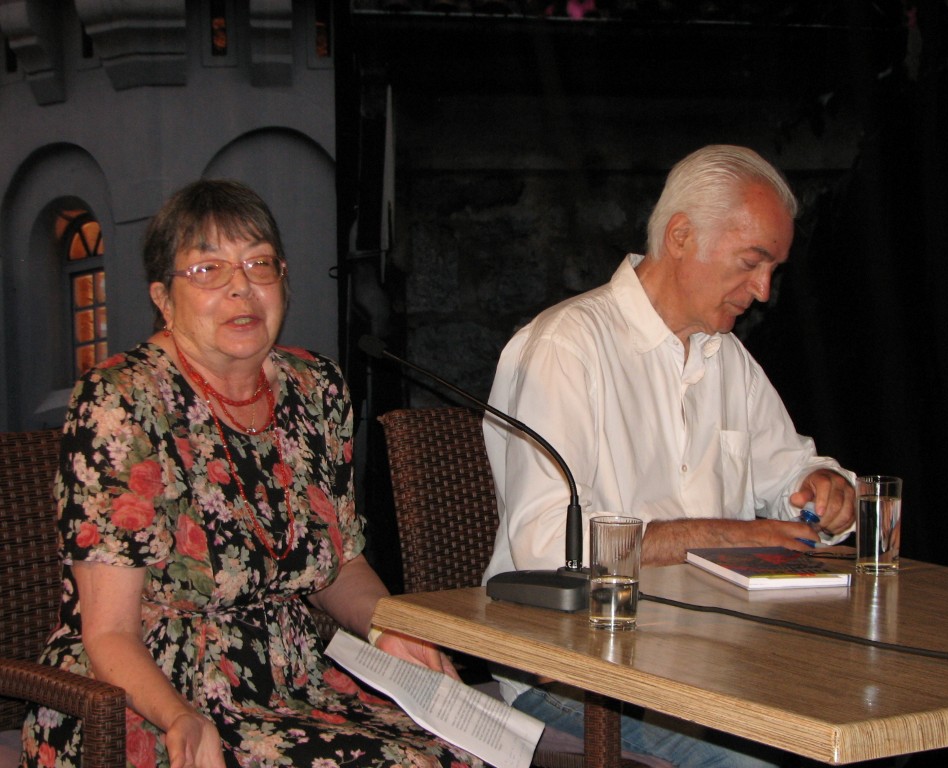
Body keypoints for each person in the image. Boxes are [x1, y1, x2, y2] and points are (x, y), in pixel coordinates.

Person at [20, 179, 482, 768]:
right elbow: (109, 632)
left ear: (283, 281)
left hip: (297, 678)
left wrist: (390, 629)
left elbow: (339, 566)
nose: (241, 286)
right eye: (208, 270)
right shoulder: (122, 401)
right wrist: (179, 716)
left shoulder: (316, 388)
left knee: (463, 751)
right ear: (163, 298)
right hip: (149, 695)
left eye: (259, 264)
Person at [481, 145, 857, 767]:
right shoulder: (564, 348)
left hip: (711, 659)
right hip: (577, 675)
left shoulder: (727, 359)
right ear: (681, 236)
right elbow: (549, 547)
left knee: (861, 722)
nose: (764, 291)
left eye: (773, 269)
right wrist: (726, 535)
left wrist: (823, 485)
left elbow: (789, 474)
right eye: (751, 263)